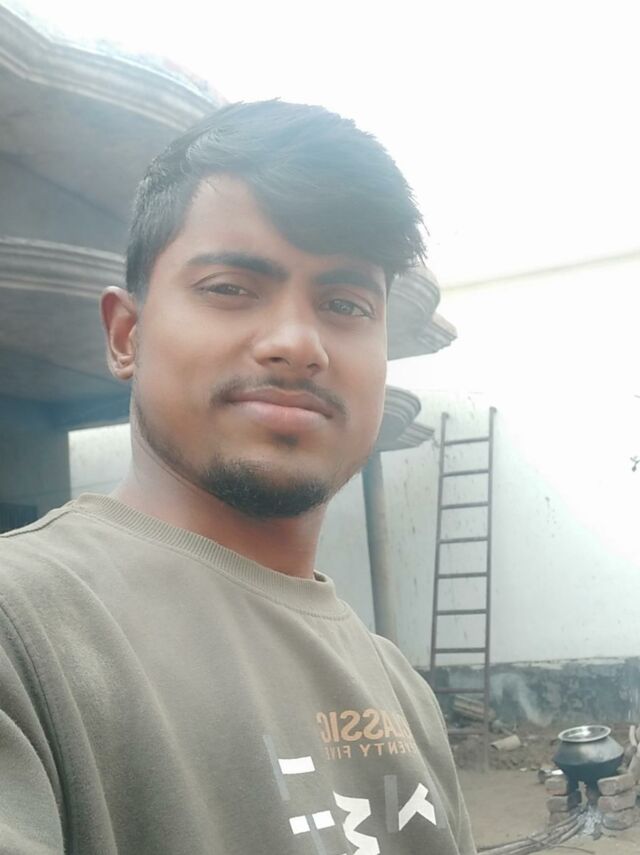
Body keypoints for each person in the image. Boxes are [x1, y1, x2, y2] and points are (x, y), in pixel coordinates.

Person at [0, 100, 475, 854]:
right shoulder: (24, 633)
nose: (298, 343)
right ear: (126, 335)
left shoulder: (399, 688)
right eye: (229, 288)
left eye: (345, 303)